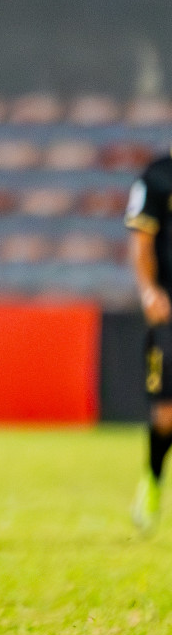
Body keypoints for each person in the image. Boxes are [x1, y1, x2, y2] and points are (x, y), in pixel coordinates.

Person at [127, 154, 172, 531]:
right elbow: (142, 242)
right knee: (166, 415)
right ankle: (153, 478)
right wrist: (148, 291)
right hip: (169, 311)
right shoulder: (157, 177)